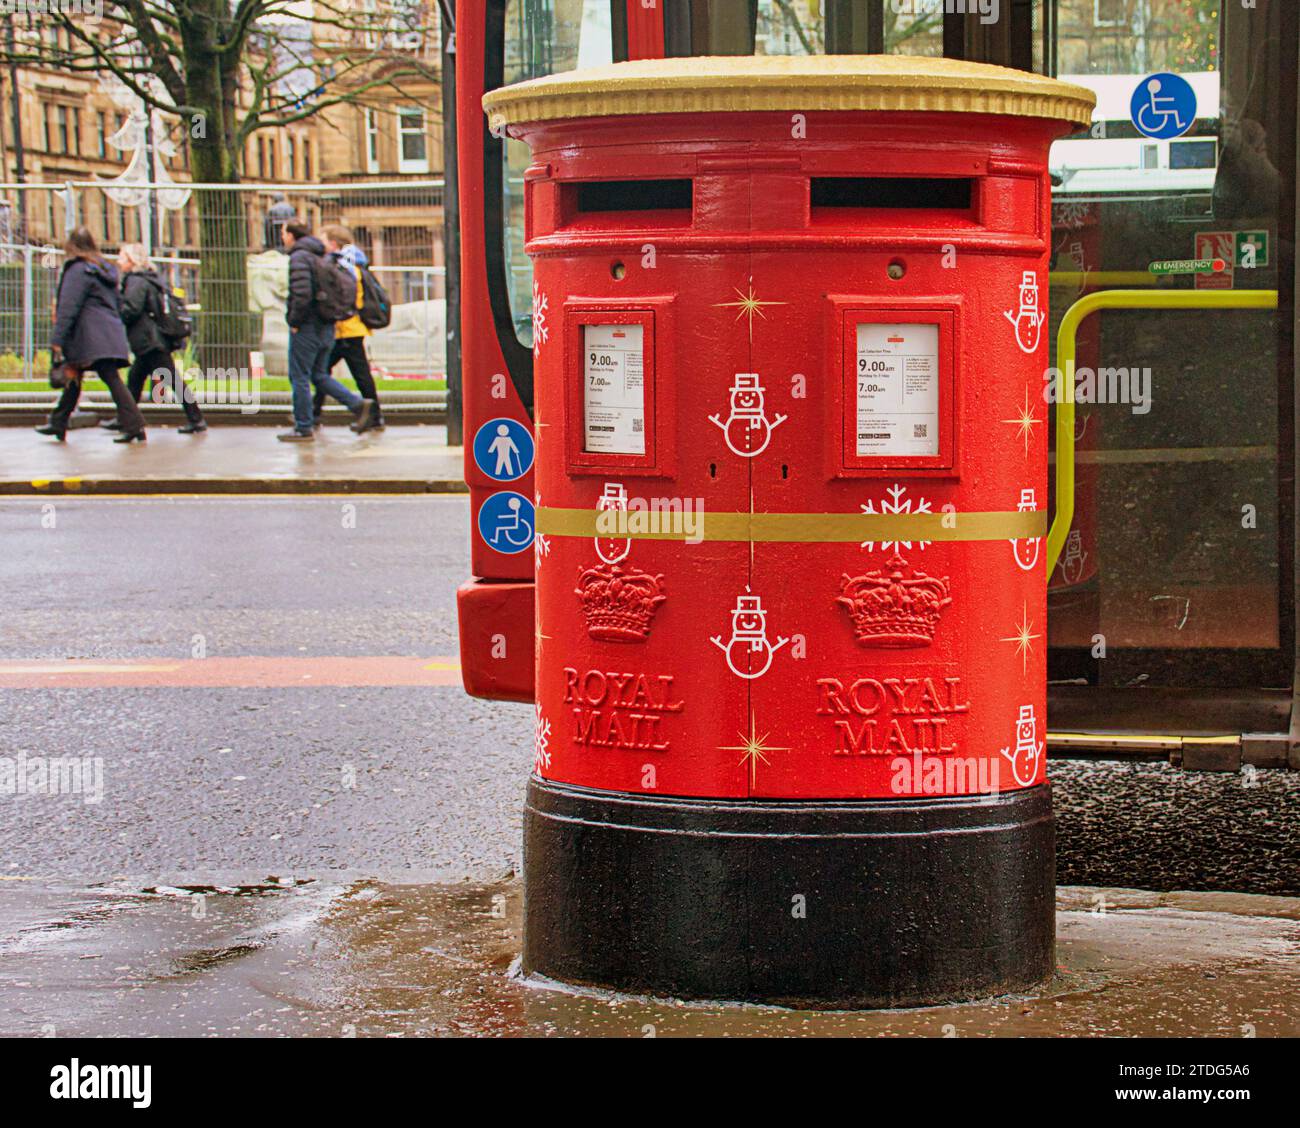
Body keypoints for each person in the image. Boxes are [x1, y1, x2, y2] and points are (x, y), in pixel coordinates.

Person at [37, 227, 145, 443]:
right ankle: (58, 422)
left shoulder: (77, 270)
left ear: (71, 246)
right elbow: (117, 303)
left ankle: (135, 425)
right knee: (77, 376)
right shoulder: (105, 269)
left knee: (105, 378)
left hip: (87, 335)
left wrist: (57, 340)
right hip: (107, 332)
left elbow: (68, 307)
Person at [279, 221, 375, 442]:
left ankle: (303, 426)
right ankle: (357, 404)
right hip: (327, 325)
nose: (282, 237)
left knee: (300, 376)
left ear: (292, 235)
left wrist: (294, 320)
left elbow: (301, 293)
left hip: (308, 326)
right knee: (319, 374)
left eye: (284, 233)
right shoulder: (322, 256)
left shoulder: (300, 257)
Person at [115, 243, 207, 434]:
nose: (118, 261)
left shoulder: (136, 281)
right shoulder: (151, 278)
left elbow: (132, 309)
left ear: (132, 260)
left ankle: (196, 419)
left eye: (122, 257)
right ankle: (124, 419)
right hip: (153, 338)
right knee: (136, 378)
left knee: (170, 380)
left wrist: (117, 310)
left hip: (149, 340)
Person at [312, 224, 385, 430]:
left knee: (322, 373)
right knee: (331, 373)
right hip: (352, 328)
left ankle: (314, 414)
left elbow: (346, 298)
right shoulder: (355, 263)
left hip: (344, 329)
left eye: (324, 240)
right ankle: (374, 416)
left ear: (333, 244)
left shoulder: (341, 266)